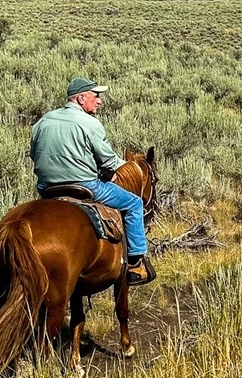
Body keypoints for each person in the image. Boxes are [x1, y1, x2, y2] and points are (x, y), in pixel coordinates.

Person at [31, 77, 154, 286]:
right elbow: (110, 161)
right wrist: (119, 171)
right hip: (86, 186)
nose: (100, 101)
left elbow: (34, 154)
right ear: (81, 98)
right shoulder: (90, 124)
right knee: (134, 203)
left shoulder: (43, 121)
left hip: (47, 188)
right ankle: (136, 262)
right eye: (96, 96)